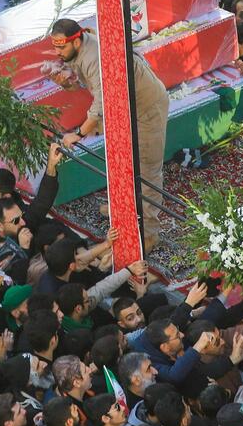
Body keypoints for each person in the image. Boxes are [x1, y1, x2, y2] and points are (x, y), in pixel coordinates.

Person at [48, 18, 170, 251]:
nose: (57, 53)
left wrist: (79, 133)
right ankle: (121, 209)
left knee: (147, 171)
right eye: (54, 47)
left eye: (61, 47)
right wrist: (64, 83)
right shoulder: (76, 52)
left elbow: (102, 99)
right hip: (121, 109)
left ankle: (150, 234)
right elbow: (83, 85)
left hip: (145, 109)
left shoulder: (94, 56)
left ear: (76, 41)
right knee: (121, 161)